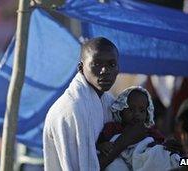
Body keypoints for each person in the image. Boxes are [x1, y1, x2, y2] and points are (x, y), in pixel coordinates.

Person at [43, 37, 148, 171]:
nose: (105, 70)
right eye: (97, 64)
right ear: (81, 67)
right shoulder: (72, 109)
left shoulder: (108, 101)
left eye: (112, 65)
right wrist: (124, 141)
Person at [98, 86, 180, 171]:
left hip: (143, 159)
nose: (137, 114)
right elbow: (100, 143)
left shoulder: (149, 131)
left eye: (142, 111)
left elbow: (158, 145)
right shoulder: (113, 127)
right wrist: (101, 146)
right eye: (131, 110)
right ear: (121, 110)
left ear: (148, 113)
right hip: (120, 160)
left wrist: (165, 146)